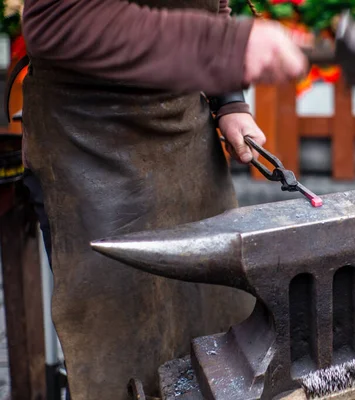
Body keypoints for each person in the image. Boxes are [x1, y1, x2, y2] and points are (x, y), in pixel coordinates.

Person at [20, 0, 308, 399]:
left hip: (185, 135)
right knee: (121, 361)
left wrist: (229, 102)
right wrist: (224, 45)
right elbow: (57, 22)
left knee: (219, 341)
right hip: (93, 142)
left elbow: (211, 7)